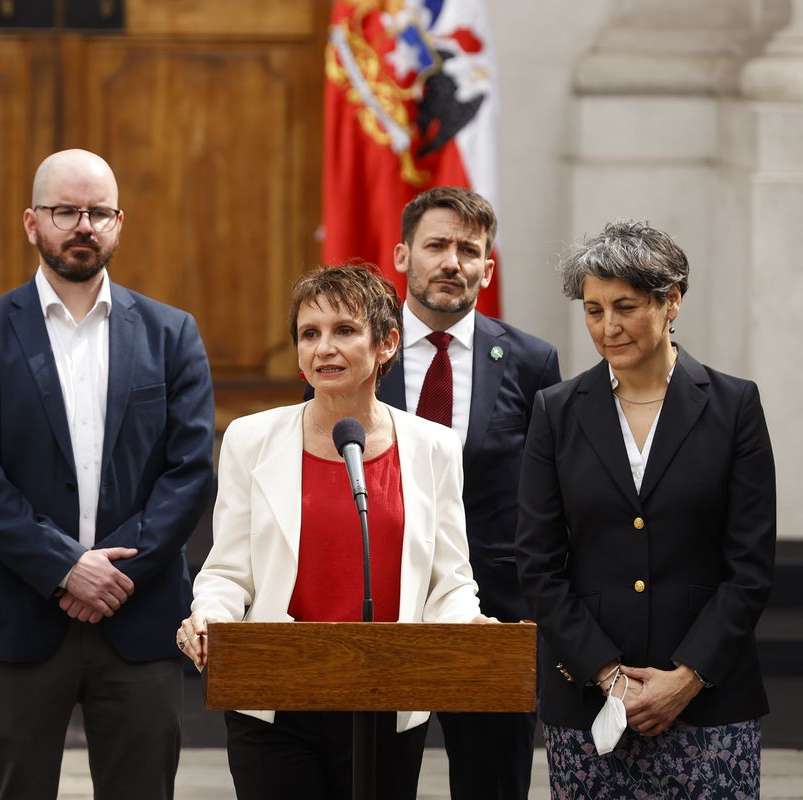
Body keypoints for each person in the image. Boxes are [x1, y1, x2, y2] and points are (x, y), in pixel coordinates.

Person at [0, 148, 215, 800]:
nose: (83, 226)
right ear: (32, 223)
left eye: (98, 212)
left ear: (120, 224)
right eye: (66, 211)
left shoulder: (173, 334)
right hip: (17, 612)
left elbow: (190, 470)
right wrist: (66, 566)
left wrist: (116, 573)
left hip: (139, 614)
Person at [178, 263, 487, 800]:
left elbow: (450, 582)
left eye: (344, 330)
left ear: (387, 343)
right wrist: (210, 616)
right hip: (274, 701)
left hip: (388, 698)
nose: (323, 348)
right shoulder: (251, 439)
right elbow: (228, 571)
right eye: (308, 334)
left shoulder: (434, 447)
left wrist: (472, 627)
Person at [516, 220, 775, 797]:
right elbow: (537, 562)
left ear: (672, 300)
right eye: (593, 310)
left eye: (625, 307)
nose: (607, 328)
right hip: (589, 702)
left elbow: (751, 567)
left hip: (710, 702)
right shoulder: (555, 411)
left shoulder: (735, 405)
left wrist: (687, 677)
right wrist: (610, 677)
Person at [385, 186, 560, 799]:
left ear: (488, 267)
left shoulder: (533, 362)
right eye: (436, 245)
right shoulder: (353, 351)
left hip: (495, 616)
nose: (451, 262)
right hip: (381, 612)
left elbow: (549, 498)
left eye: (468, 249)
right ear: (403, 256)